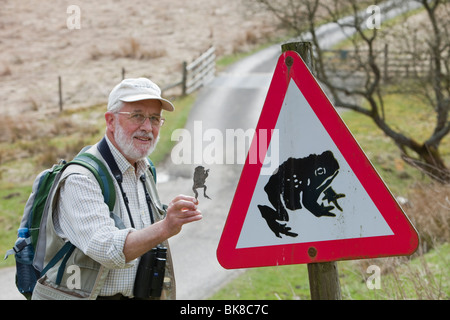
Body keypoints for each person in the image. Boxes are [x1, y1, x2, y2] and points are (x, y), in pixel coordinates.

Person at [31, 78, 202, 300]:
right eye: (137, 116)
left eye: (154, 118)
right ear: (110, 121)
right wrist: (165, 227)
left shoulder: (145, 168)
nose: (147, 127)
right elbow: (107, 250)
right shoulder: (80, 179)